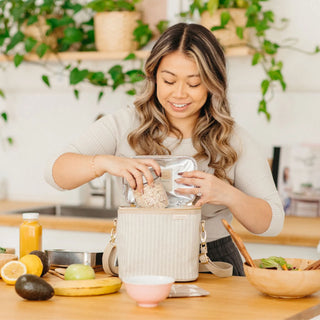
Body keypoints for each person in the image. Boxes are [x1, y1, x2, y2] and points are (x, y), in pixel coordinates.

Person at [45, 23, 285, 276]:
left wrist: (227, 194)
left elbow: (272, 223)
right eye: (169, 80)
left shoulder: (231, 138)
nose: (179, 94)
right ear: (153, 75)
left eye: (194, 84)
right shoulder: (125, 124)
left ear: (213, 84)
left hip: (211, 262)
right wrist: (105, 162)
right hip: (139, 257)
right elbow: (54, 174)